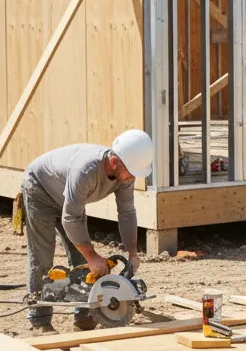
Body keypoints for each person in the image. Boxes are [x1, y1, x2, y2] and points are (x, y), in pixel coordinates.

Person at [21, 131, 153, 334]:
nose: (132, 177)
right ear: (115, 161)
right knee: (42, 257)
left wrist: (132, 253)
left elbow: (127, 212)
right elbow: (70, 218)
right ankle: (40, 319)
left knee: (80, 262)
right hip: (41, 191)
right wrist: (92, 256)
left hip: (68, 200)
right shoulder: (85, 170)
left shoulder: (126, 173)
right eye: (131, 171)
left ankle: (85, 315)